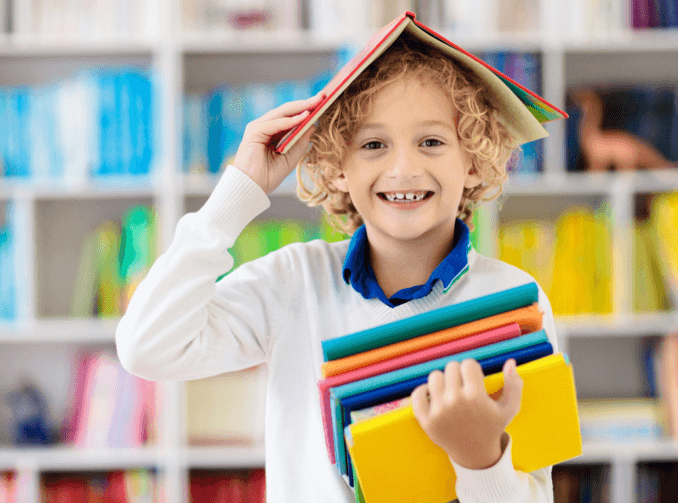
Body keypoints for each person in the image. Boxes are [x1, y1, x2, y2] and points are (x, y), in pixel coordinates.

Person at [116, 36, 559, 502]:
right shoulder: (292, 282)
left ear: (472, 162)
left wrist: (480, 458)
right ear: (338, 168)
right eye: (373, 144)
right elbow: (146, 346)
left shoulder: (515, 300)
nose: (402, 168)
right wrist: (239, 194)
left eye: (431, 141)